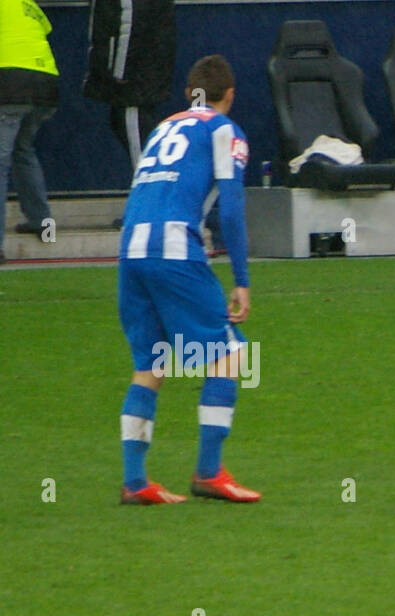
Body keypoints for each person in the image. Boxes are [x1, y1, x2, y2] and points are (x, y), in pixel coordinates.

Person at [116, 54, 260, 505]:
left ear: (189, 93)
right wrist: (241, 279)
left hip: (131, 250)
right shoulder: (224, 130)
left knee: (152, 364)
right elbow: (231, 208)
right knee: (230, 354)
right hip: (174, 249)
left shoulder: (163, 127)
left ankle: (135, 482)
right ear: (230, 94)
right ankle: (209, 472)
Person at [84, 0, 177, 171]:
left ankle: (152, 182)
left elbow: (130, 20)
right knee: (126, 123)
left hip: (133, 79)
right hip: (145, 70)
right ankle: (155, 179)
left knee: (135, 132)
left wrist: (120, 70)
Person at [0, 0, 59, 260]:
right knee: (23, 152)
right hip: (46, 84)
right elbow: (45, 29)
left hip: (10, 84)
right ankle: (44, 226)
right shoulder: (28, 4)